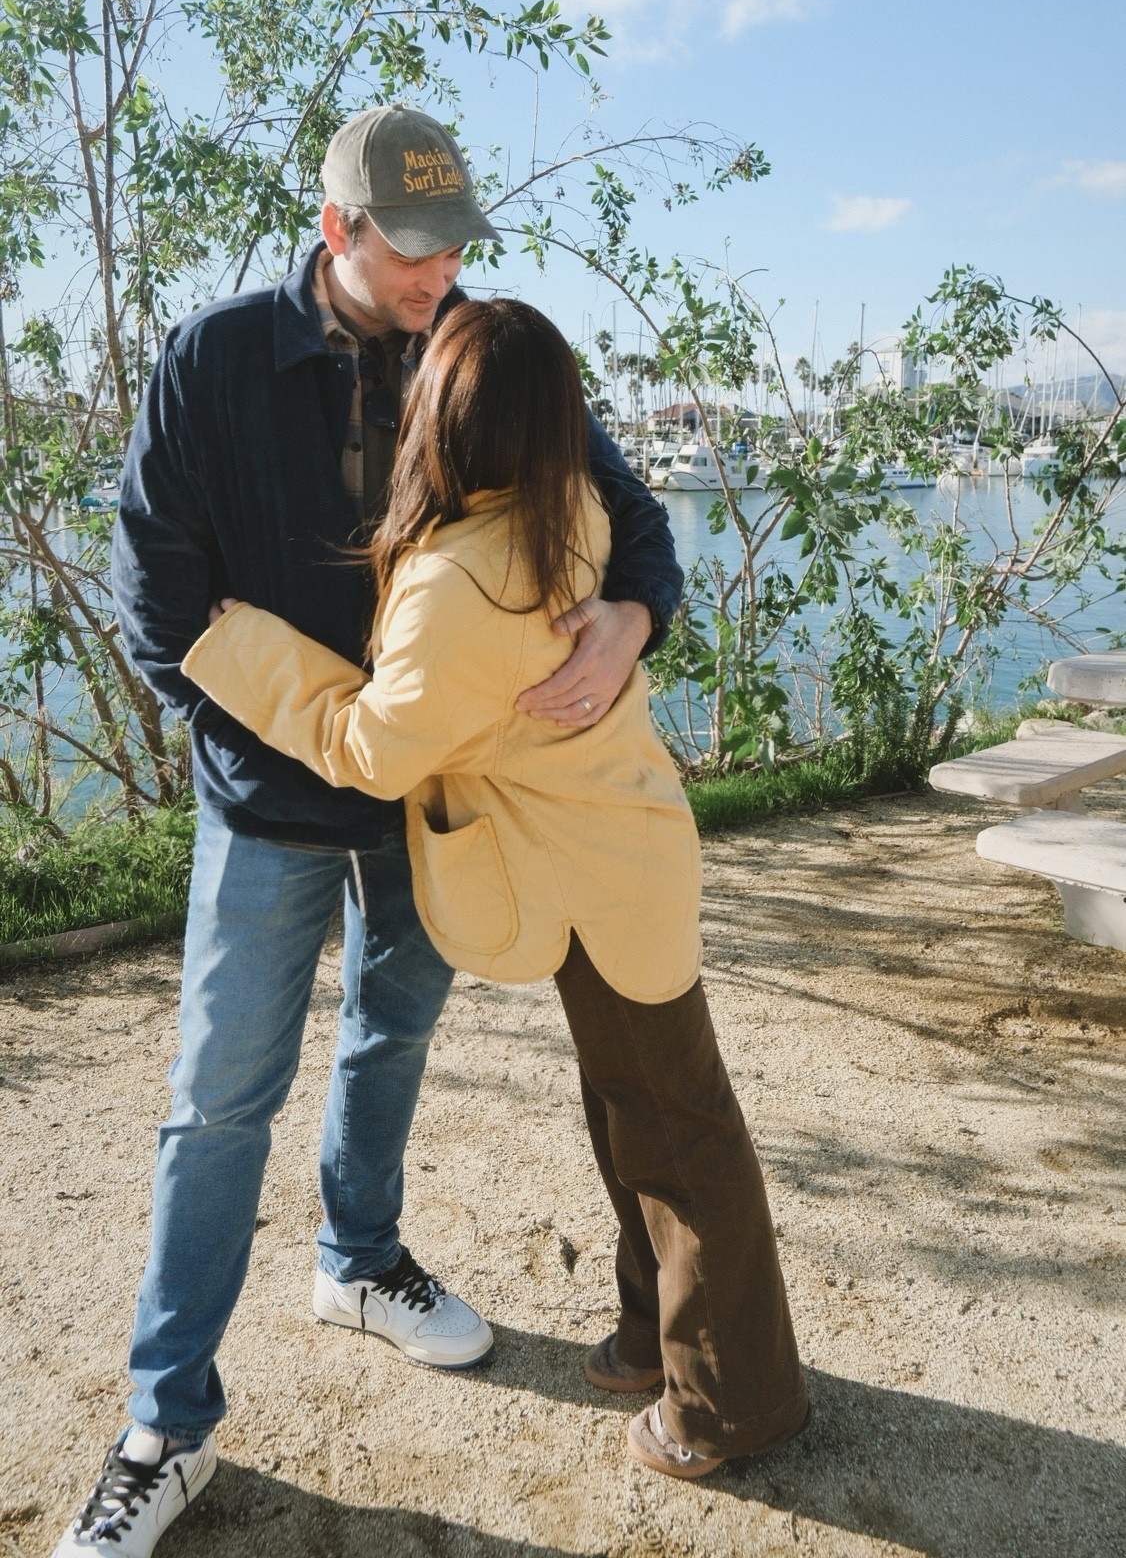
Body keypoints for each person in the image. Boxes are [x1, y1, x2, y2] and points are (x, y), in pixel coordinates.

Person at [54, 107, 682, 1558]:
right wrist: (336, 734)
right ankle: (165, 1424)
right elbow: (157, 606)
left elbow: (630, 520)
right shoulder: (211, 361)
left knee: (390, 1041)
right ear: (334, 229)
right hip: (269, 805)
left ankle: (358, 1260)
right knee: (219, 1102)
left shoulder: (479, 351)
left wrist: (631, 619)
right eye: (409, 251)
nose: (436, 276)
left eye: (454, 247)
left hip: (436, 807)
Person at [184, 296, 809, 1483]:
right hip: (612, 857)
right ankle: (654, 1336)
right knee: (638, 1108)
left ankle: (734, 1401)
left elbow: (373, 748)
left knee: (679, 1127)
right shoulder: (560, 509)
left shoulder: (458, 581)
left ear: (449, 424)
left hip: (591, 875)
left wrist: (245, 645)